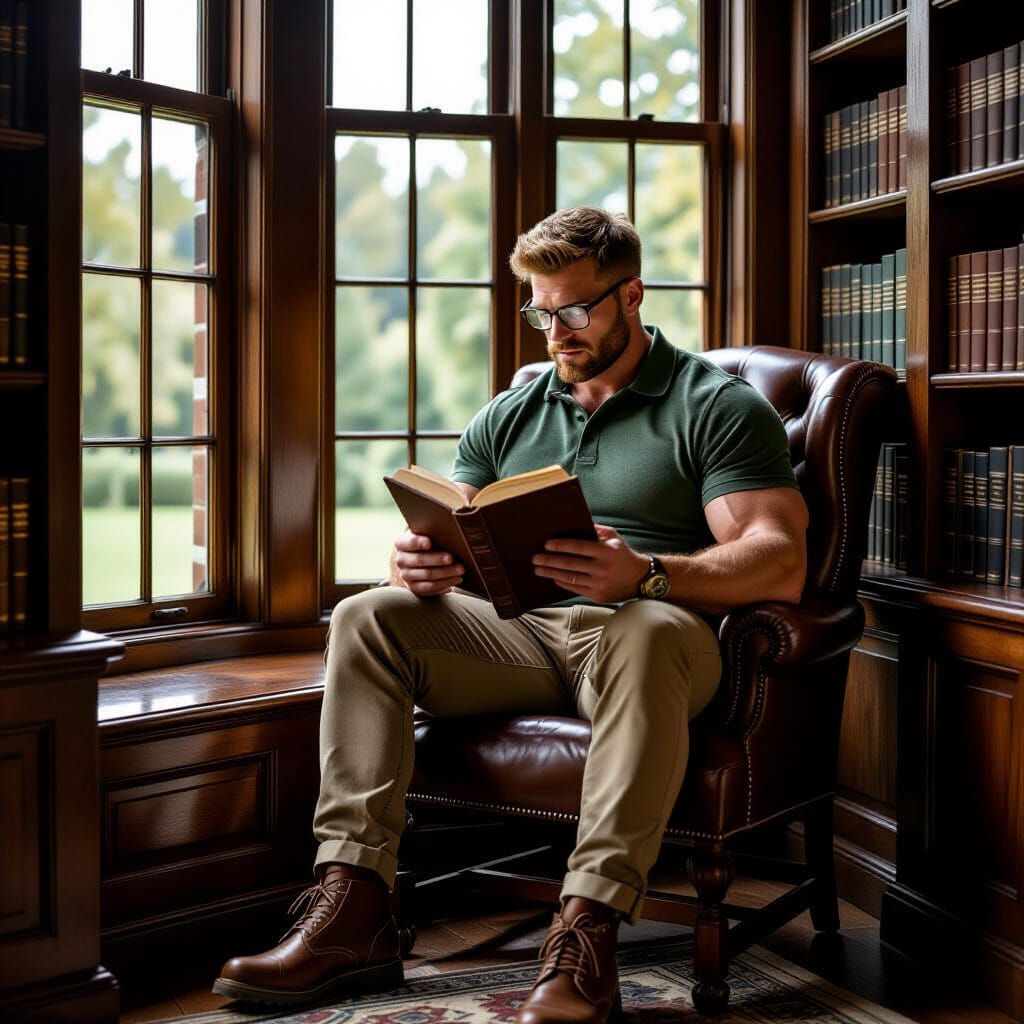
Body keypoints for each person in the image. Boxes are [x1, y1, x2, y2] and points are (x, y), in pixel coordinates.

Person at [213, 206, 808, 1022]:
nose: (556, 332)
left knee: (645, 629)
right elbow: (457, 528)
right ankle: (354, 910)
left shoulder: (715, 406)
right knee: (368, 616)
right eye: (540, 312)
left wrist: (646, 573)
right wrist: (417, 565)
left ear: (632, 295)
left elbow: (778, 557)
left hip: (651, 635)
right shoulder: (510, 413)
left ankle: (587, 929)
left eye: (575, 310)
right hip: (520, 635)